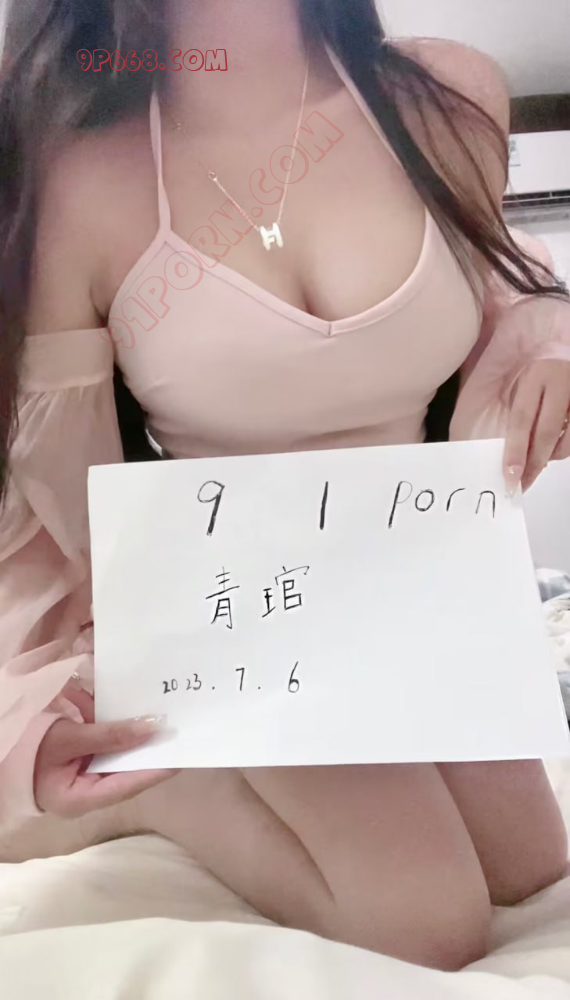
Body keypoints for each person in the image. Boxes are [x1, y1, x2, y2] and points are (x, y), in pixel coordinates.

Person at [1, 0, 570, 973]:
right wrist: (36, 704)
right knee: (426, 921)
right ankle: (165, 789)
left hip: (414, 582)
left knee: (531, 867)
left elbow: (495, 300)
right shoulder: (77, 167)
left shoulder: (445, 97)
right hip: (238, 618)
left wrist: (545, 346)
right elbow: (51, 486)